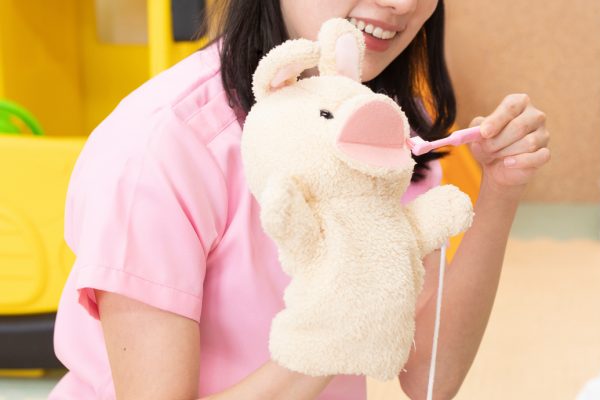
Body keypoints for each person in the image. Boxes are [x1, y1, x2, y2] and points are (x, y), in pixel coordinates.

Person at [48, 1, 551, 399]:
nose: (403, 3)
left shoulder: (384, 122)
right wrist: (328, 334)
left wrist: (501, 191)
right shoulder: (163, 145)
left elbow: (430, 380)